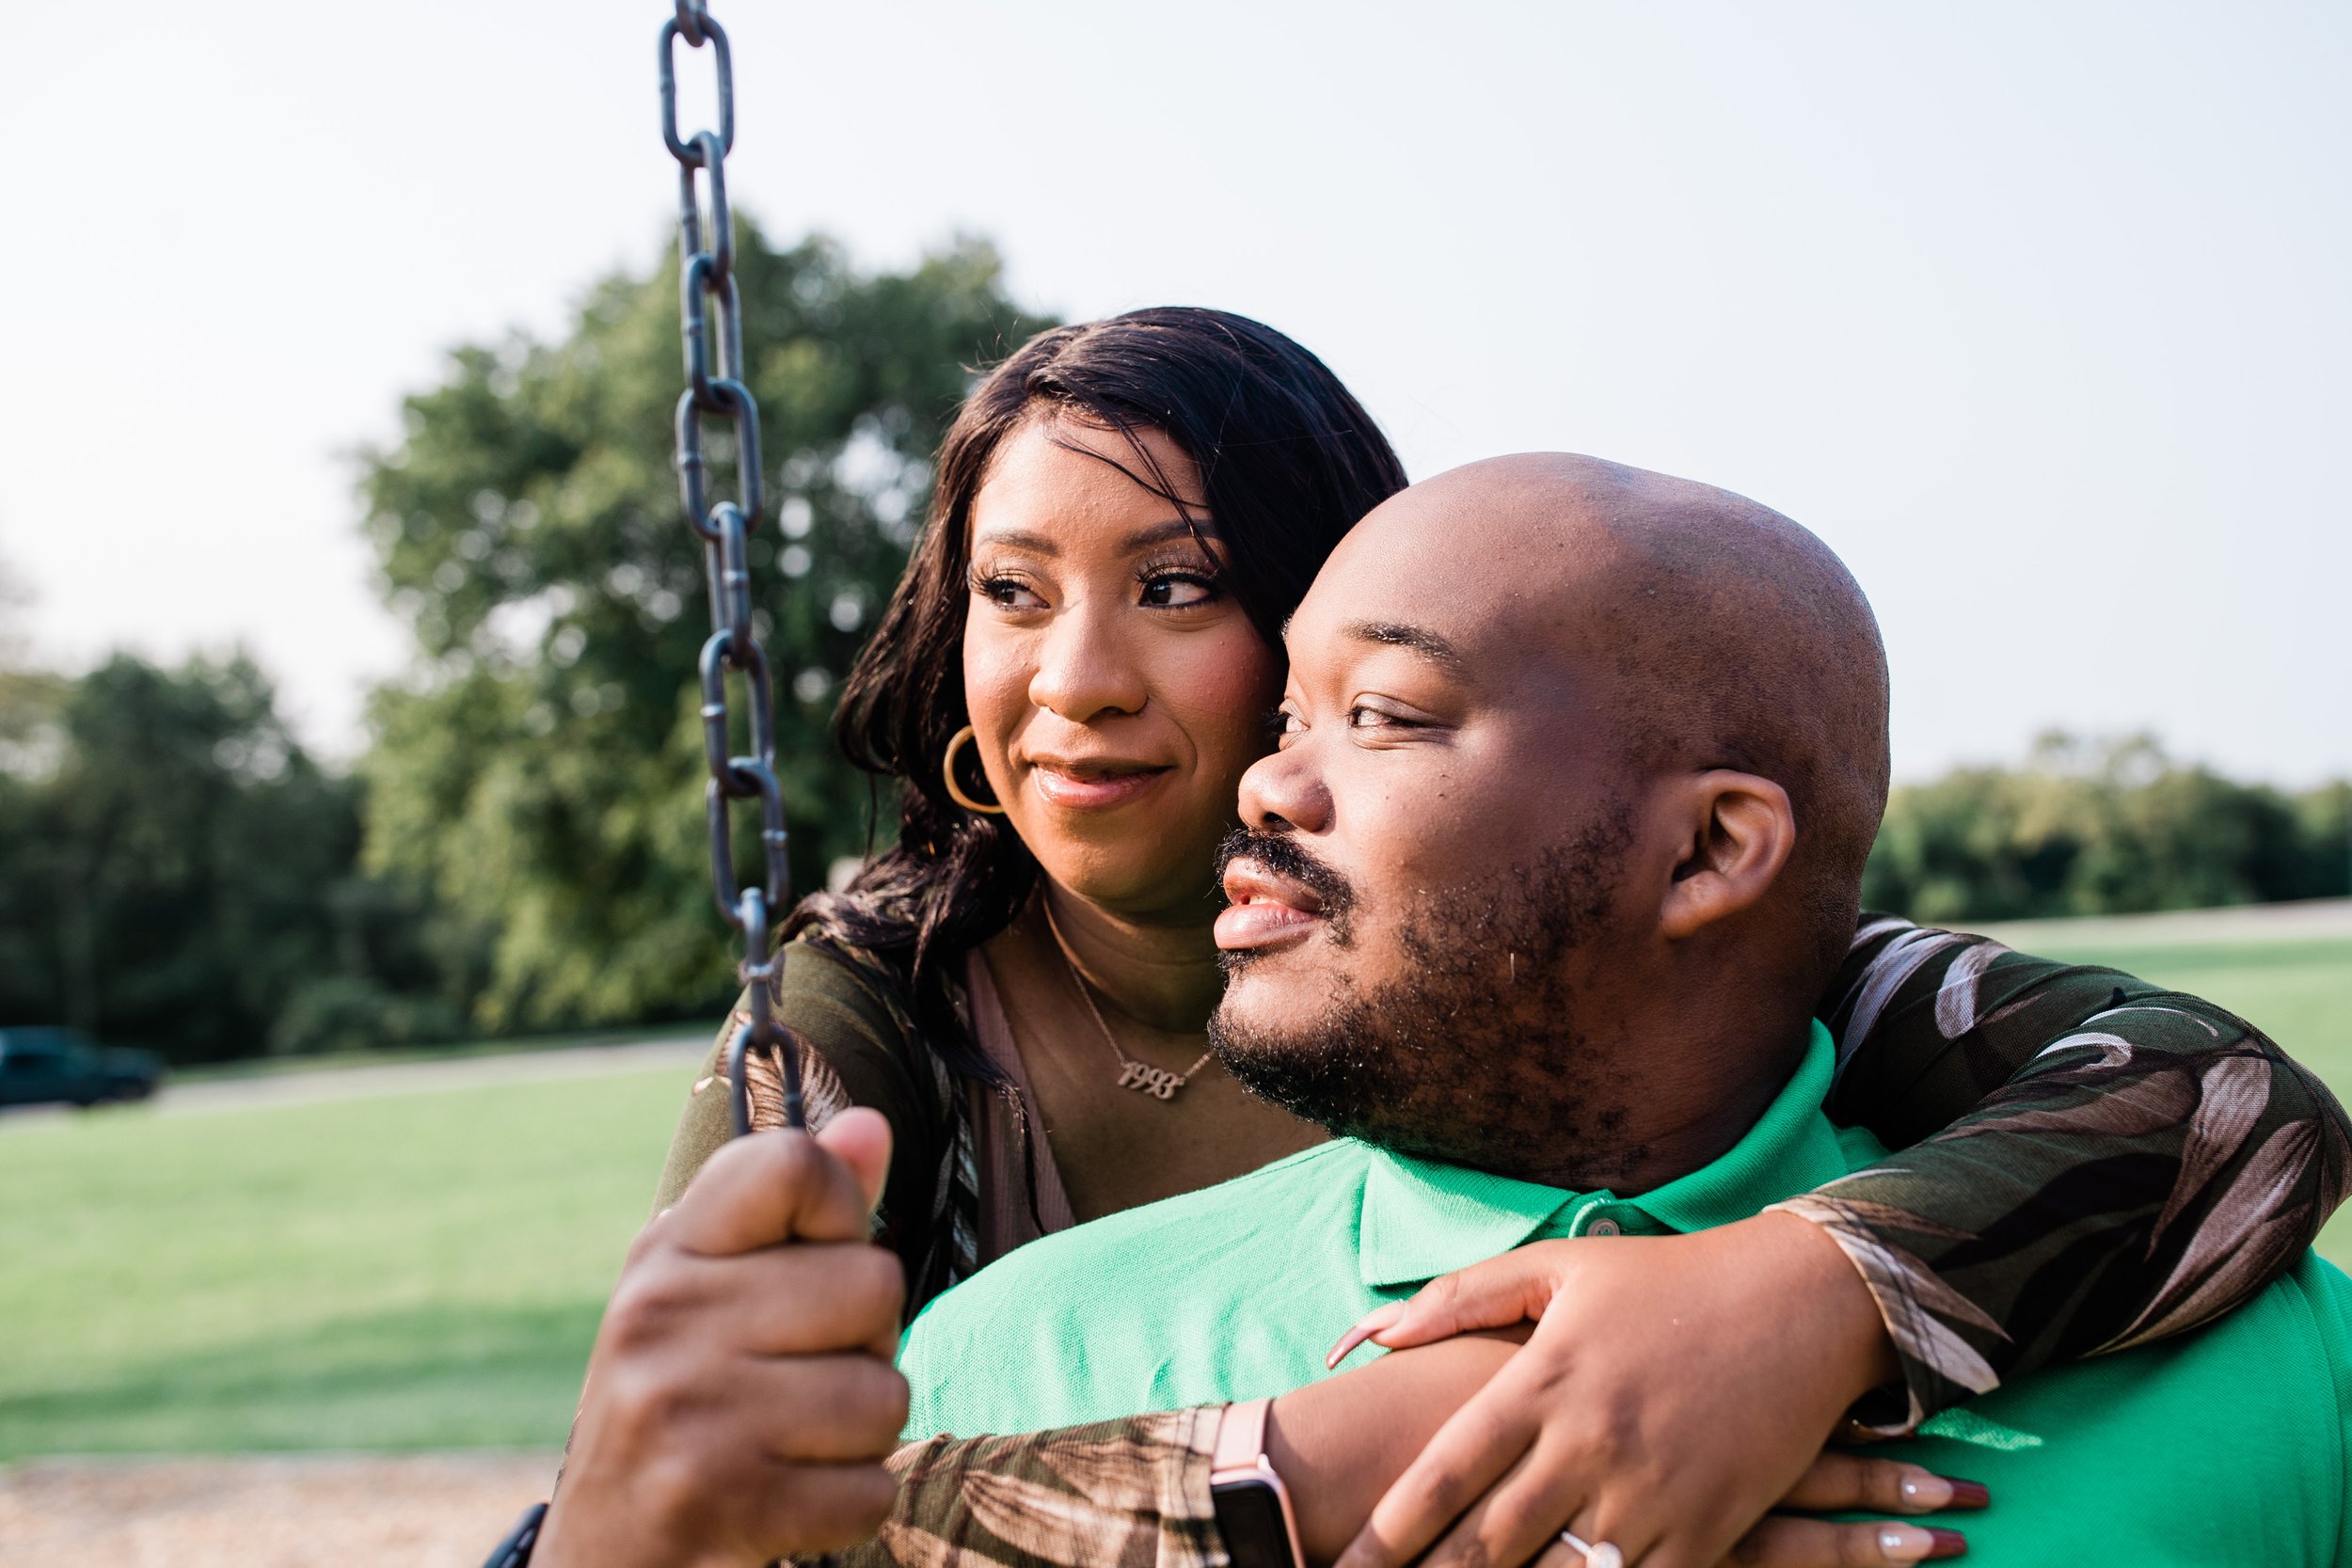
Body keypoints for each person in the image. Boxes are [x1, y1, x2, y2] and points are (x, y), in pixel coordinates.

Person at [625, 310, 2349, 1556]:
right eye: (1009, 593)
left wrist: (1806, 1301)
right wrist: (1356, 1470)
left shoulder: (1807, 988)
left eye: (1179, 591)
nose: (1069, 682)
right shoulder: (871, 1029)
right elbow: (693, 1509)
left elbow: (2221, 1103)